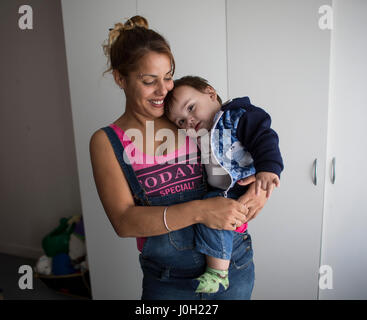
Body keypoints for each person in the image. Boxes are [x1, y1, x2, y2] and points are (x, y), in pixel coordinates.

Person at [89, 15, 268, 300]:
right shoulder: (107, 142)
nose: (163, 91)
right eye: (149, 81)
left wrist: (261, 192)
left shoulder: (187, 119)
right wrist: (200, 210)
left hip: (233, 266)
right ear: (120, 78)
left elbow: (251, 150)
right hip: (168, 281)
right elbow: (123, 222)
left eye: (168, 76)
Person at [164, 76, 284, 293]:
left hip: (239, 190)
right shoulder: (200, 137)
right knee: (209, 210)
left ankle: (218, 273)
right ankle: (218, 268)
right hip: (221, 195)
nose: (189, 121)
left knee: (213, 208)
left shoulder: (236, 117)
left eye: (191, 108)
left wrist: (268, 170)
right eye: (181, 121)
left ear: (210, 92)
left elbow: (265, 138)